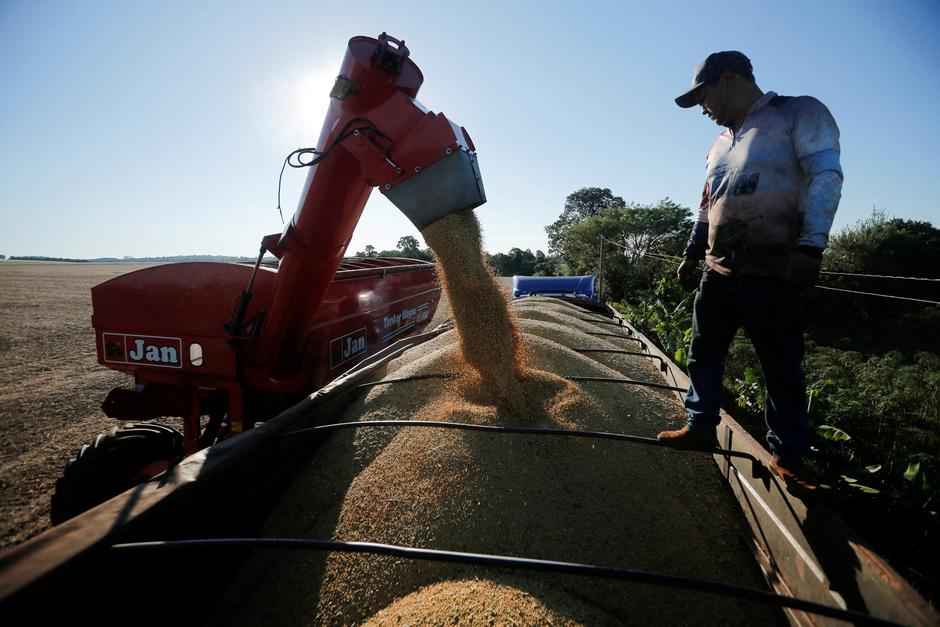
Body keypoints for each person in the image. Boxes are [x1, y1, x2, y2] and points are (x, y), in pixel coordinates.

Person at [657, 51, 843, 496]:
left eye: (703, 96)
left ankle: (790, 457)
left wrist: (811, 245)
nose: (703, 108)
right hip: (719, 271)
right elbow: (707, 204)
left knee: (780, 364)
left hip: (774, 269)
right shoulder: (719, 144)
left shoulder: (797, 113)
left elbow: (826, 176)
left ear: (729, 80)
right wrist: (690, 253)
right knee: (704, 351)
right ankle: (700, 425)